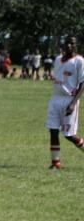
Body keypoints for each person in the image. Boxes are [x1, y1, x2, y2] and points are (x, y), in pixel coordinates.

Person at [46, 36, 84, 169]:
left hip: (69, 99)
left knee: (69, 135)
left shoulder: (79, 61)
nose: (68, 45)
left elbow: (82, 83)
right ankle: (55, 163)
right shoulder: (57, 60)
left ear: (75, 45)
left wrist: (73, 103)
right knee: (53, 130)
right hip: (55, 99)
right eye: (67, 43)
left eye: (72, 43)